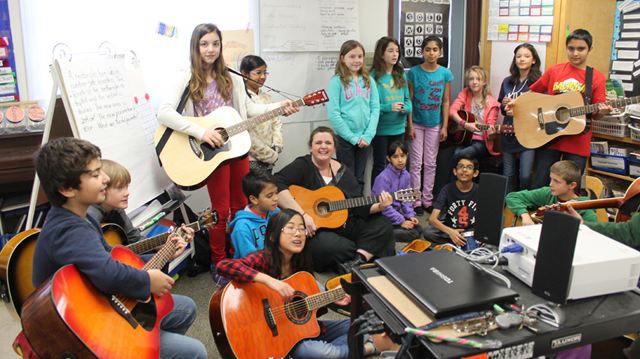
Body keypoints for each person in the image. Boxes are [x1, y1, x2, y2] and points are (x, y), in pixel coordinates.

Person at [32, 137, 206, 359]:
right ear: (66, 189)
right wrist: (146, 281)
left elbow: (111, 262)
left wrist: (164, 254)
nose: (105, 179)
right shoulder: (70, 229)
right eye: (95, 174)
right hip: (90, 325)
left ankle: (149, 344)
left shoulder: (81, 218)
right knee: (195, 352)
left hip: (101, 303)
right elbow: (108, 273)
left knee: (184, 308)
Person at [156, 23, 298, 283]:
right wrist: (200, 133)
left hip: (238, 148)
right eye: (204, 44)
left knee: (239, 205)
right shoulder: (186, 76)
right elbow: (163, 112)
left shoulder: (230, 76)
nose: (210, 49)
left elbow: (251, 110)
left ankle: (236, 257)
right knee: (221, 211)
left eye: (215, 44)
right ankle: (219, 262)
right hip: (213, 153)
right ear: (196, 47)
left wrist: (281, 106)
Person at [274, 126, 395, 273]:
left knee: (383, 224)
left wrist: (380, 206)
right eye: (318, 143)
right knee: (330, 247)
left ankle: (358, 260)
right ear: (311, 147)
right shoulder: (303, 165)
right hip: (315, 230)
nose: (323, 146)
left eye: (328, 143)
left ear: (334, 148)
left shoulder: (343, 171)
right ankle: (367, 250)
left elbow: (358, 204)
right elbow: (276, 183)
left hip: (345, 224)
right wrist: (303, 215)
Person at [522, 29, 612, 188]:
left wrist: (602, 113)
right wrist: (517, 104)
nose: (575, 53)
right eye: (571, 48)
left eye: (581, 49)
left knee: (570, 190)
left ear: (589, 49)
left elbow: (595, 114)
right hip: (549, 136)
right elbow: (532, 93)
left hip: (578, 141)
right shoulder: (554, 71)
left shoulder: (596, 77)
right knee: (541, 185)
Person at [406, 35, 453, 215]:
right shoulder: (413, 72)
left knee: (431, 163)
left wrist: (445, 126)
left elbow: (446, 101)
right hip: (416, 123)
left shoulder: (445, 73)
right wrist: (409, 125)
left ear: (440, 52)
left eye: (435, 50)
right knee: (416, 163)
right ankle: (415, 200)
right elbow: (409, 99)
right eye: (427, 49)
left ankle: (427, 200)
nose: (431, 53)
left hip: (435, 124)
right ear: (422, 52)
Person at [327, 40, 380, 192]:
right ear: (342, 58)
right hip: (345, 139)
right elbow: (334, 114)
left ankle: (358, 212)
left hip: (365, 138)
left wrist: (368, 136)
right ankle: (347, 213)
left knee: (360, 177)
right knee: (346, 177)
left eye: (360, 56)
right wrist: (352, 138)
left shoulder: (369, 80)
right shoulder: (336, 82)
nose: (357, 60)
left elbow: (375, 109)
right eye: (352, 56)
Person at [497, 43, 542, 192]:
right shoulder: (507, 82)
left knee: (525, 176)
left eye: (526, 56)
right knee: (508, 174)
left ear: (533, 60)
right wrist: (505, 106)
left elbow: (541, 110)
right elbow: (502, 109)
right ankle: (508, 208)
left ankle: (523, 206)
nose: (522, 59)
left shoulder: (538, 83)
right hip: (509, 132)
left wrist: (518, 110)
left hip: (529, 135)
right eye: (519, 56)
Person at [370, 36, 412, 184]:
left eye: (397, 51)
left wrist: (405, 109)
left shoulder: (400, 74)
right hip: (380, 130)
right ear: (381, 54)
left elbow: (408, 102)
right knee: (380, 165)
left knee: (399, 165)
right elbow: (370, 105)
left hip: (398, 129)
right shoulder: (373, 76)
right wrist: (388, 107)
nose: (395, 54)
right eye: (390, 51)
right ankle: (378, 200)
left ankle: (399, 199)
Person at [505, 160, 597, 225]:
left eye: (556, 181)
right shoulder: (547, 193)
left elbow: (594, 232)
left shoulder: (585, 206)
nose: (550, 184)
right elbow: (512, 196)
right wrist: (525, 216)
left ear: (572, 185)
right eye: (551, 179)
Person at [239, 55, 284, 174]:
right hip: (251, 159)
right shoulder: (241, 99)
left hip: (270, 155)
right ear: (244, 74)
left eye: (265, 72)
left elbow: (276, 122)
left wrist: (276, 145)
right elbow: (246, 132)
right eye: (258, 72)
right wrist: (268, 154)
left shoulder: (267, 97)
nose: (263, 77)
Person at [372, 141, 423, 242]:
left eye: (402, 156)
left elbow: (407, 199)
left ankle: (387, 232)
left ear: (407, 156)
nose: (400, 160)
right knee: (413, 233)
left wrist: (410, 215)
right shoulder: (383, 178)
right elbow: (384, 207)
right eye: (395, 157)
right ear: (388, 158)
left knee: (418, 229)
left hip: (396, 213)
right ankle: (381, 234)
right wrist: (401, 221)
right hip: (382, 216)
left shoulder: (406, 175)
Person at [449, 65, 500, 164]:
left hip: (481, 142)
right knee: (455, 153)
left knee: (461, 155)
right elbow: (452, 111)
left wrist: (491, 133)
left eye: (478, 79)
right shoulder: (465, 93)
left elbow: (490, 128)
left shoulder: (492, 103)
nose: (474, 82)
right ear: (468, 82)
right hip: (465, 139)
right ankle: (453, 180)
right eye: (471, 79)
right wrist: (465, 124)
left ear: (484, 82)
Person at [425, 156, 479, 247]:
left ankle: (457, 243)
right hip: (450, 229)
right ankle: (458, 242)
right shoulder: (447, 189)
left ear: (475, 173)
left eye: (469, 167)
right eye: (461, 166)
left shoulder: (481, 190)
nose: (464, 170)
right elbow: (432, 219)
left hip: (471, 230)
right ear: (455, 171)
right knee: (428, 232)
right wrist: (450, 232)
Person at [86, 159, 144, 244]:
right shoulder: (90, 216)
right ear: (102, 188)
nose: (127, 193)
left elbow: (135, 239)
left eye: (127, 186)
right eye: (120, 188)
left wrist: (161, 245)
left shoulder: (116, 208)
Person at [229, 169, 280, 260]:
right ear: (254, 199)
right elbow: (251, 261)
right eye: (269, 195)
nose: (276, 198)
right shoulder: (242, 228)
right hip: (256, 269)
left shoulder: (276, 212)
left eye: (276, 193)